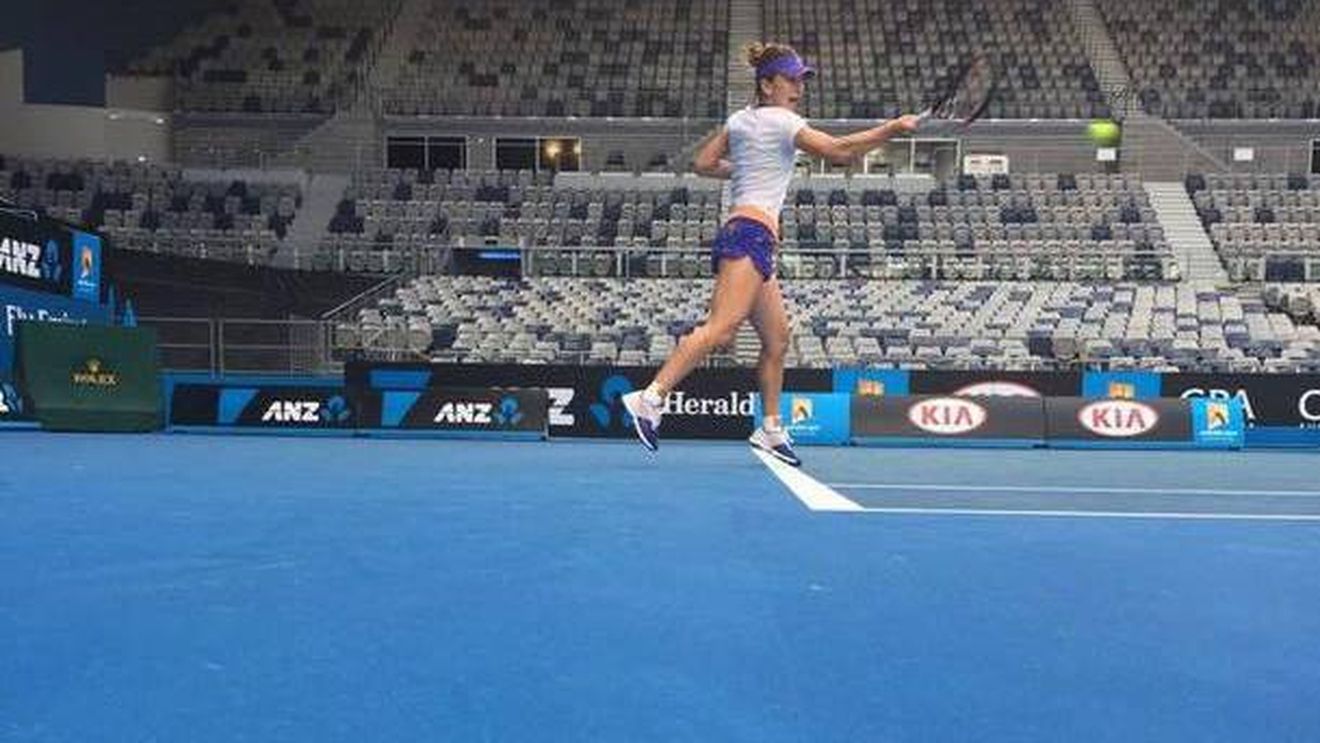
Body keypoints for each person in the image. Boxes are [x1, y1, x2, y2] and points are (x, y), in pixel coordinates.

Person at [622, 42, 920, 466]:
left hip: (750, 236)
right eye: (791, 79)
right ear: (767, 84)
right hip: (749, 234)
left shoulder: (739, 120)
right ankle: (650, 398)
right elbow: (838, 153)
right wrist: (891, 128)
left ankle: (771, 429)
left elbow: (704, 164)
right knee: (721, 330)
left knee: (777, 339)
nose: (798, 87)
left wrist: (745, 168)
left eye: (802, 80)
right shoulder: (784, 121)